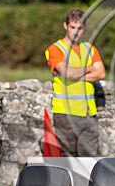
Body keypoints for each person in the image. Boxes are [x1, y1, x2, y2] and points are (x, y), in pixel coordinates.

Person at [45, 9, 106, 156]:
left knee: (89, 162)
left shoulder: (89, 49)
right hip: (65, 114)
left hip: (88, 113)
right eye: (73, 27)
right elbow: (66, 72)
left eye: (80, 28)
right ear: (65, 26)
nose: (76, 32)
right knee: (68, 160)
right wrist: (89, 68)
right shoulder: (55, 49)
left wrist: (76, 74)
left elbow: (101, 73)